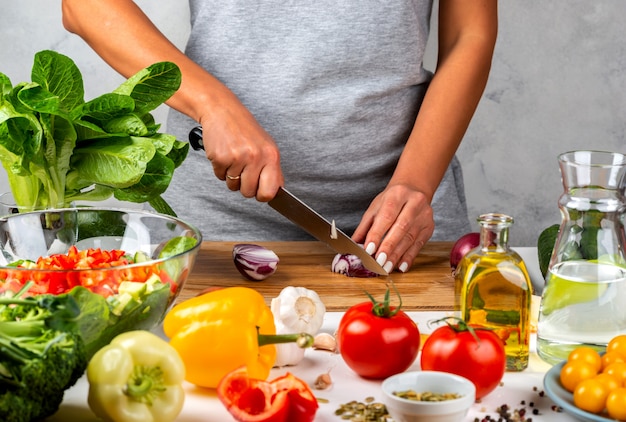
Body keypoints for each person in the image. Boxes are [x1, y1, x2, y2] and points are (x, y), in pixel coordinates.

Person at [61, 0, 498, 273]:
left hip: (407, 224)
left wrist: (415, 183)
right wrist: (212, 104)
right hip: (217, 225)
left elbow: (469, 33)